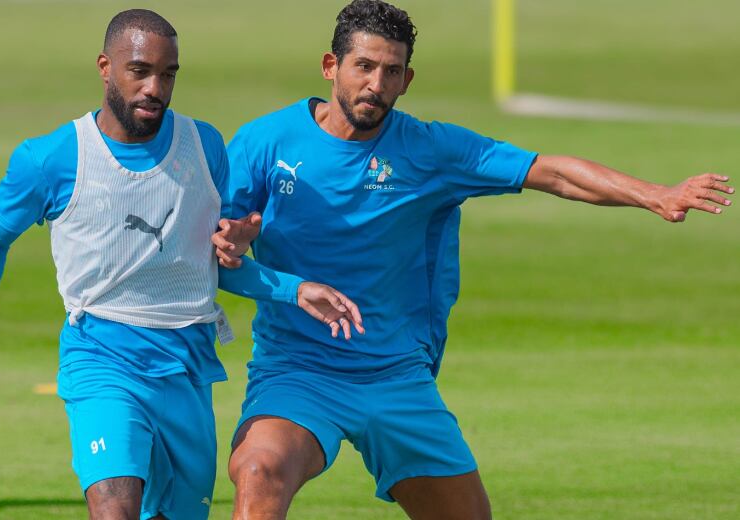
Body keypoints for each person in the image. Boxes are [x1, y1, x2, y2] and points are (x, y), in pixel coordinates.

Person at [219, 1, 733, 518]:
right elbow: (213, 262)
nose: (376, 84)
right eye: (364, 67)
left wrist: (656, 195)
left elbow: (549, 172)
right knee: (260, 470)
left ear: (407, 80)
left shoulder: (430, 149)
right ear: (331, 66)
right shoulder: (265, 143)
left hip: (397, 378)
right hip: (297, 374)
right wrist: (283, 283)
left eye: (391, 71)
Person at [0, 9, 362, 520]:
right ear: (105, 66)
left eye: (168, 74)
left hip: (187, 365)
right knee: (115, 505)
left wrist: (294, 289)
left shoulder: (204, 147)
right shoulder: (51, 159)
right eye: (139, 71)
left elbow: (213, 264)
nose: (154, 88)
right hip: (101, 356)